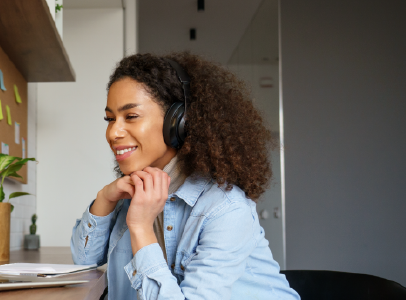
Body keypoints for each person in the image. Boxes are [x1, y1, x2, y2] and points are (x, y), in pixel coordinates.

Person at [70, 52, 300, 300]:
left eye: (131, 116)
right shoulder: (134, 191)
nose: (113, 132)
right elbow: (85, 260)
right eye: (110, 119)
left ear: (178, 122)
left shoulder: (226, 209)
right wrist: (105, 198)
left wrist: (140, 228)